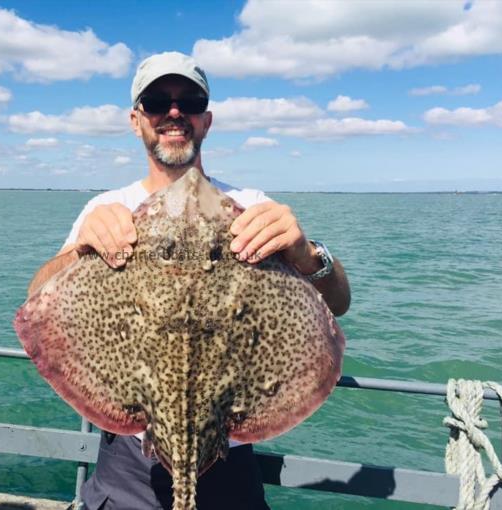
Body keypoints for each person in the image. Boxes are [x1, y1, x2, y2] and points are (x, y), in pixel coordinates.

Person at [27, 52, 351, 510]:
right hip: (125, 465)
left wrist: (305, 253)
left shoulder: (250, 206)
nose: (174, 113)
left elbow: (336, 303)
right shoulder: (109, 208)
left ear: (207, 119)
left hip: (230, 464)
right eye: (158, 101)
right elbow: (38, 298)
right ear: (137, 119)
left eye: (190, 101)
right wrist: (81, 248)